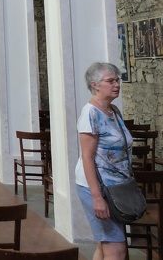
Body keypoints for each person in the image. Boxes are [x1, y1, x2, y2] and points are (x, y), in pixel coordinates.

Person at [74, 62, 131, 260]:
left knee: (105, 244)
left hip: (115, 188)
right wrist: (97, 197)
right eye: (110, 81)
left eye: (118, 80)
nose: (117, 84)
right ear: (95, 85)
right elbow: (87, 158)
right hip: (98, 188)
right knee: (116, 249)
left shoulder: (112, 111)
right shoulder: (90, 113)